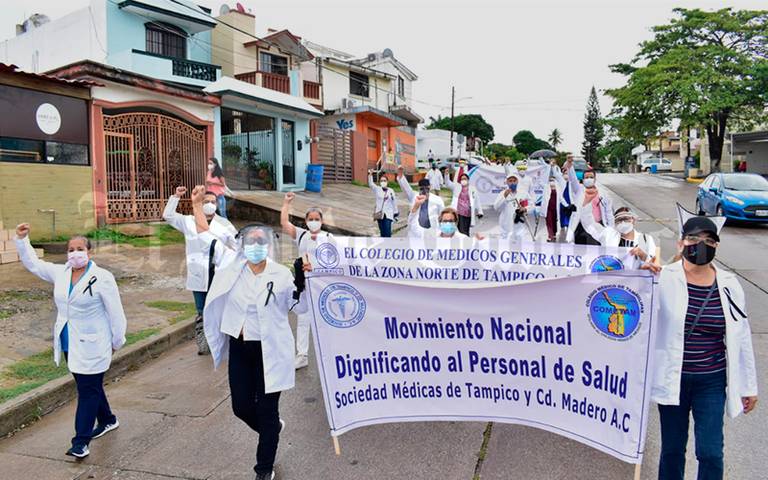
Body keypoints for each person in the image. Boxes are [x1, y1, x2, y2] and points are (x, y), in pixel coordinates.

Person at [193, 186, 308, 480]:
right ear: (242, 245)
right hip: (240, 349)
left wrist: (304, 281)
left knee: (267, 411)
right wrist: (195, 204)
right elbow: (206, 232)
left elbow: (300, 307)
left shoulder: (280, 275)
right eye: (250, 241)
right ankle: (271, 430)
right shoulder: (231, 267)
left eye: (261, 241)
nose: (256, 245)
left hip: (270, 350)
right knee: (241, 407)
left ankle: (264, 467)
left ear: (268, 246)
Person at [653, 216, 758, 480]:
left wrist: (749, 386)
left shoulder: (729, 285)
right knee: (672, 450)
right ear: (680, 244)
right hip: (673, 378)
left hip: (711, 381)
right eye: (694, 239)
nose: (701, 244)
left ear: (716, 246)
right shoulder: (663, 279)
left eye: (709, 240)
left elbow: (741, 336)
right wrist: (639, 276)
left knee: (711, 452)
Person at [14, 223, 126, 459]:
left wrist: (117, 341)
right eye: (71, 249)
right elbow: (34, 264)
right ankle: (107, 419)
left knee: (87, 391)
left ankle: (80, 441)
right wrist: (23, 240)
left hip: (95, 343)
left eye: (79, 248)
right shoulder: (61, 273)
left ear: (89, 251)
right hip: (68, 341)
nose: (75, 253)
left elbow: (116, 313)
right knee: (89, 386)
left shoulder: (102, 277)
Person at [163, 186, 237, 354]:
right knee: (202, 310)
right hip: (198, 275)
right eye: (206, 202)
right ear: (199, 203)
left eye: (213, 202)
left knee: (221, 308)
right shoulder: (189, 221)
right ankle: (205, 344)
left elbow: (236, 246)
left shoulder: (224, 224)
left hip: (219, 274)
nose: (210, 205)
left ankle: (222, 342)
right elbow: (167, 216)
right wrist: (176, 196)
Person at [280, 192, 331, 369]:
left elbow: (337, 261)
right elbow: (284, 224)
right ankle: (302, 355)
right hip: (305, 287)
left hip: (323, 287)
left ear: (322, 221)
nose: (314, 221)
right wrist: (286, 203)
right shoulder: (301, 235)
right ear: (306, 220)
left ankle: (329, 356)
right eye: (311, 218)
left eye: (317, 218)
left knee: (326, 322)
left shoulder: (328, 238)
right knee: (303, 319)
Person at [580, 206, 660, 268]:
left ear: (634, 220)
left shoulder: (646, 239)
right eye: (619, 220)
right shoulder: (608, 234)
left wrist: (642, 255)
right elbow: (589, 224)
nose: (622, 222)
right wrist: (587, 202)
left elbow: (653, 265)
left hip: (635, 284)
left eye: (626, 219)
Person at [564, 157, 614, 244]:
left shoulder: (602, 193)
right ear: (583, 180)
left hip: (597, 225)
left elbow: (609, 212)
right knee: (581, 251)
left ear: (595, 179)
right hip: (581, 227)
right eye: (586, 177)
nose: (589, 179)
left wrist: (611, 229)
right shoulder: (579, 191)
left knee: (596, 250)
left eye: (591, 177)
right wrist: (570, 166)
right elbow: (573, 180)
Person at [397, 166, 445, 237]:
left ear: (430, 187)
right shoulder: (414, 196)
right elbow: (406, 187)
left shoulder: (437, 199)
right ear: (418, 188)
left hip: (432, 231)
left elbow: (443, 216)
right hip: (416, 231)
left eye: (427, 188)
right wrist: (400, 175)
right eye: (422, 189)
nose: (425, 191)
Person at [444, 168, 484, 236]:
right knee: (461, 230)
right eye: (462, 179)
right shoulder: (456, 187)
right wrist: (446, 175)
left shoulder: (472, 189)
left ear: (468, 180)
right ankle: (463, 243)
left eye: (465, 178)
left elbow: (477, 200)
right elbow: (448, 183)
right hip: (458, 212)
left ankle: (465, 243)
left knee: (465, 230)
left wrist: (480, 211)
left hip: (468, 214)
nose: (463, 180)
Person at [494, 172, 531, 242]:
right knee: (505, 248)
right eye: (510, 181)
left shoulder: (523, 193)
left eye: (514, 181)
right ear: (507, 182)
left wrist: (525, 208)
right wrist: (504, 197)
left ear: (517, 182)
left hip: (519, 226)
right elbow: (496, 208)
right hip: (505, 227)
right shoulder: (502, 193)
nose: (512, 183)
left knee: (520, 248)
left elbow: (532, 205)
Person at [368, 170, 398, 237]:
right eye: (381, 181)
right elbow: (371, 184)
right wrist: (370, 175)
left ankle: (388, 245)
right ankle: (383, 246)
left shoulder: (391, 191)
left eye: (384, 181)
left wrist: (395, 213)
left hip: (388, 214)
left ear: (387, 182)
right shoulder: (377, 189)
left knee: (387, 232)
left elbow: (394, 202)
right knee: (382, 232)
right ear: (379, 182)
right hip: (379, 214)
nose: (383, 182)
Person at [540, 172, 568, 242]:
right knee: (549, 221)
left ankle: (554, 234)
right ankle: (550, 235)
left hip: (555, 208)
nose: (551, 181)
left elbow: (561, 198)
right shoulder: (546, 187)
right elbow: (540, 181)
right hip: (548, 208)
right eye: (550, 180)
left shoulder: (558, 187)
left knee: (554, 221)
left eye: (553, 180)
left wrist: (567, 205)